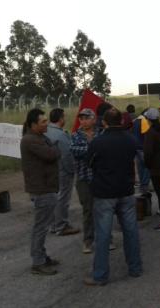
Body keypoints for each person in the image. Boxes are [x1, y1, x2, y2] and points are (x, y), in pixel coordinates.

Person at [85, 108, 142, 286]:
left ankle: (100, 275)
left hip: (104, 193)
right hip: (126, 191)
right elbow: (137, 158)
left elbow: (89, 163)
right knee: (131, 231)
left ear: (104, 122)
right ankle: (135, 268)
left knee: (103, 235)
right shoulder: (131, 139)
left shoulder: (98, 142)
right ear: (122, 121)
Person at [21, 108, 61, 275]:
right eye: (43, 122)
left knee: (43, 225)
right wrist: (56, 149)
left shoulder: (38, 137)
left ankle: (42, 256)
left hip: (46, 187)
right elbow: (52, 155)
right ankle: (38, 262)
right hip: (42, 189)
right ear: (33, 124)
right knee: (41, 227)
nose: (47, 124)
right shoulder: (31, 140)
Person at [45, 108, 80, 236]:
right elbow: (67, 155)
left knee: (53, 197)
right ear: (60, 119)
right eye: (64, 117)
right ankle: (61, 225)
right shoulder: (61, 135)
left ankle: (53, 225)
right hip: (62, 171)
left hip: (49, 171)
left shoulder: (45, 131)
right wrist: (72, 170)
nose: (65, 119)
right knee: (63, 199)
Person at [71, 108, 100, 254]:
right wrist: (92, 147)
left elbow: (103, 151)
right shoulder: (75, 135)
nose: (83, 121)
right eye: (81, 118)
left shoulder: (100, 134)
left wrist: (90, 149)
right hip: (83, 178)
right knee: (88, 210)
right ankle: (88, 241)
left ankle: (106, 239)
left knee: (102, 208)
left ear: (94, 119)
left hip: (100, 178)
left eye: (86, 118)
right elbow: (75, 151)